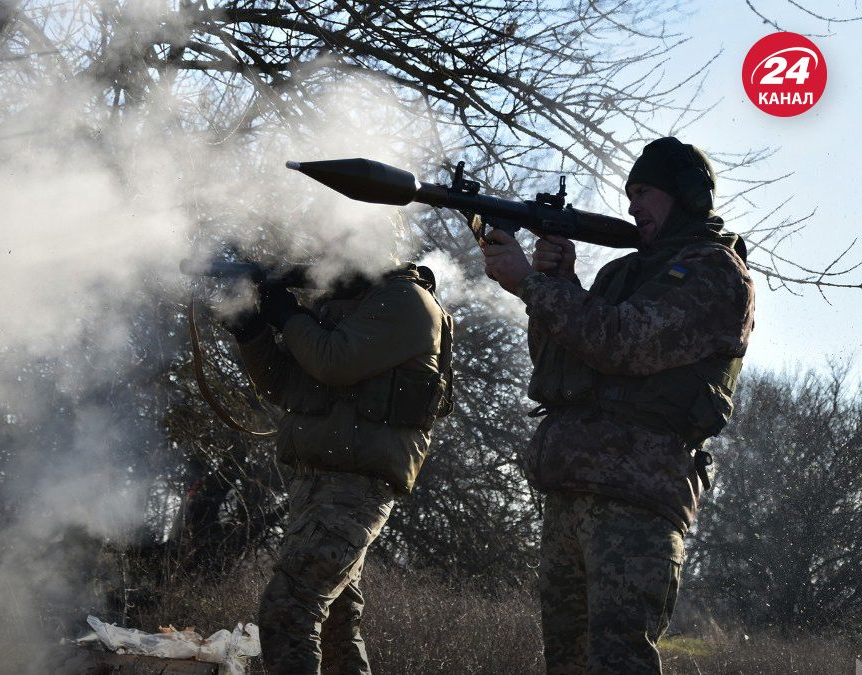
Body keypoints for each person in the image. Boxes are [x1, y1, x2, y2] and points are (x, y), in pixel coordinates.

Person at [480, 137, 755, 674]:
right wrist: (556, 283)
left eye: (646, 192)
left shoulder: (715, 274)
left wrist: (534, 284)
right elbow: (560, 361)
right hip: (570, 489)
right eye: (629, 193)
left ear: (687, 196)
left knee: (618, 661)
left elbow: (627, 342)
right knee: (568, 662)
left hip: (638, 496)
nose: (632, 207)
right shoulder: (621, 274)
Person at [225, 263, 452, 674]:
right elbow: (286, 385)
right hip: (315, 483)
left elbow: (333, 362)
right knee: (335, 629)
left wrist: (290, 316)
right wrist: (250, 331)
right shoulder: (344, 305)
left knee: (288, 610)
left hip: (355, 486)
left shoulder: (404, 301)